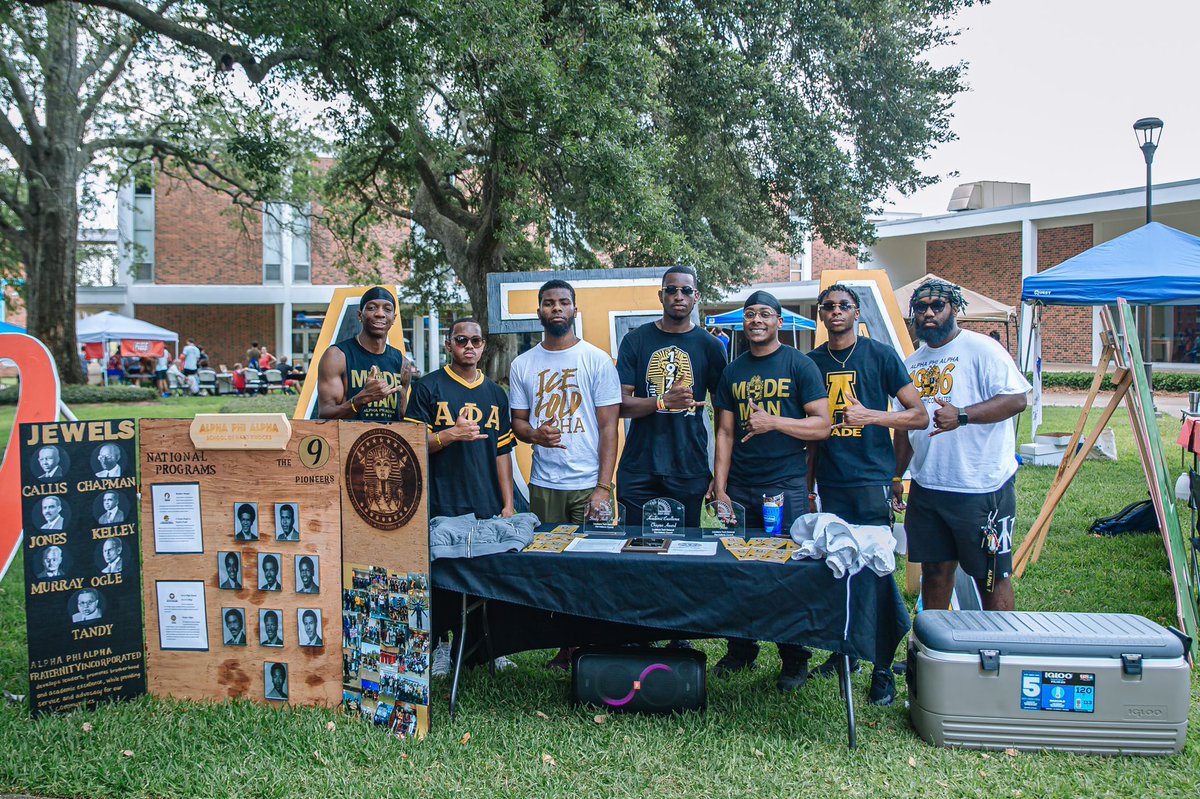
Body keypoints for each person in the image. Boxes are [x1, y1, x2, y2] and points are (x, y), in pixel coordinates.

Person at [805, 283, 928, 706]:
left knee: (876, 572)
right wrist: (808, 487)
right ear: (821, 314)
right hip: (831, 482)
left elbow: (918, 415)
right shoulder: (812, 362)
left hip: (870, 480)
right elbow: (812, 436)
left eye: (844, 306)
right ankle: (846, 653)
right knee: (836, 568)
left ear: (857, 313)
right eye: (829, 306)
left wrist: (870, 416)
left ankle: (881, 668)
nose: (836, 311)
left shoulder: (880, 355)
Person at [710, 290, 830, 692]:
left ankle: (794, 657)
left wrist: (775, 423)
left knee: (787, 572)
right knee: (738, 568)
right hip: (740, 487)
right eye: (749, 314)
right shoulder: (733, 370)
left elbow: (822, 425)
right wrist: (721, 488)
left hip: (785, 485)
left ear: (780, 321)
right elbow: (724, 432)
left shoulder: (801, 364)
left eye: (765, 314)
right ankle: (741, 648)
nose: (756, 320)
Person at [893, 278, 1031, 614]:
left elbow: (1016, 399)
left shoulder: (982, 349)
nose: (929, 313)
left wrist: (964, 415)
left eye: (937, 306)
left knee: (991, 575)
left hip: (981, 486)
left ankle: (1000, 652)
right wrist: (896, 477)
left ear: (954, 309)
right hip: (928, 488)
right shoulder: (912, 363)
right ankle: (935, 655)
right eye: (921, 308)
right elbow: (904, 428)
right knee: (935, 573)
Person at [617, 266, 728, 528]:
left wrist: (720, 477)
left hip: (689, 465)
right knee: (634, 549)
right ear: (661, 295)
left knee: (683, 552)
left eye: (686, 290)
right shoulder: (635, 340)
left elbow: (724, 418)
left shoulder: (710, 347)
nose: (679, 296)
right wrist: (662, 401)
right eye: (671, 290)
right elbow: (619, 405)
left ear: (696, 296)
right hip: (639, 466)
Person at [509, 282, 620, 524]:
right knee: (545, 556)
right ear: (539, 312)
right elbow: (518, 420)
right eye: (549, 304)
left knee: (591, 556)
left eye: (564, 303)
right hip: (543, 483)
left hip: (589, 483)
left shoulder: (597, 360)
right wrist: (535, 435)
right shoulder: (522, 364)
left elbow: (608, 428)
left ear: (574, 310)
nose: (556, 308)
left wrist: (603, 487)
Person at [407, 319, 517, 520]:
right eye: (461, 340)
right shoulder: (426, 387)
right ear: (448, 345)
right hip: (441, 507)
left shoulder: (497, 393)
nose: (469, 346)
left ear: (483, 345)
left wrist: (508, 505)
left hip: (488, 505)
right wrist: (451, 434)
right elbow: (410, 447)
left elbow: (502, 453)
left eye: (476, 341)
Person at [317, 286, 412, 422]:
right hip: (349, 441)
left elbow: (402, 416)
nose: (380, 313)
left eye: (387, 309)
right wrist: (362, 399)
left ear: (394, 318)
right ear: (360, 315)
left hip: (388, 442)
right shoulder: (337, 356)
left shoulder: (403, 364)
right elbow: (325, 413)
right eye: (372, 308)